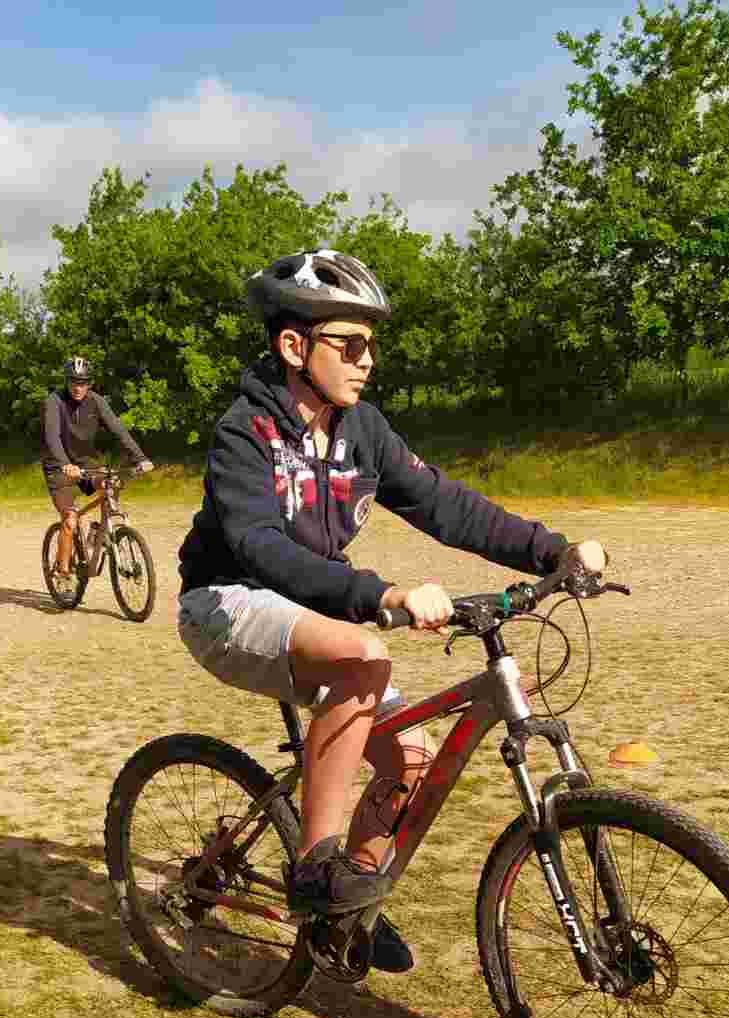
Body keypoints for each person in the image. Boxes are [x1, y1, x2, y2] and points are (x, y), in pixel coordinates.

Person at [177, 250, 604, 975]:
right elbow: (258, 545)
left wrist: (552, 552)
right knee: (363, 656)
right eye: (350, 344)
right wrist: (381, 594)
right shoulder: (245, 432)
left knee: (408, 759)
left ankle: (351, 905)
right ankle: (316, 870)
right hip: (227, 598)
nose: (367, 360)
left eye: (372, 345)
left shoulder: (362, 430)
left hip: (315, 607)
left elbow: (445, 506)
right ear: (294, 346)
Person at [41, 356, 154, 583]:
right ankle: (63, 572)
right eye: (73, 382)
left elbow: (119, 430)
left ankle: (98, 534)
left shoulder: (96, 401)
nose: (78, 387)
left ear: (89, 383)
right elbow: (52, 436)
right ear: (67, 382)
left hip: (86, 463)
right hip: (58, 467)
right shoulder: (54, 401)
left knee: (111, 485)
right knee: (70, 520)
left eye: (82, 382)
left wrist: (140, 458)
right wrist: (64, 464)